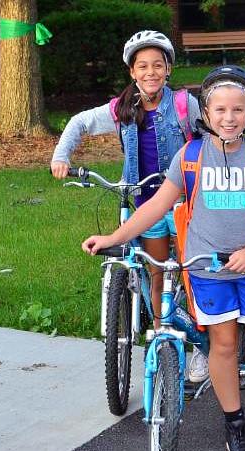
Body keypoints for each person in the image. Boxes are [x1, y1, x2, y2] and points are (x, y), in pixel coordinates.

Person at [81, 66, 245, 451]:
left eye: (238, 110)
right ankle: (235, 423)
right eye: (220, 110)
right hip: (208, 271)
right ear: (206, 113)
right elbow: (156, 206)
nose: (229, 117)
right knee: (223, 346)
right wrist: (115, 238)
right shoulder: (191, 155)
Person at [49, 30, 209, 384]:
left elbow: (209, 138)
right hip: (144, 205)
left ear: (168, 69)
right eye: (143, 66)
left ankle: (202, 344)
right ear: (132, 72)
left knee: (190, 273)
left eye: (157, 65)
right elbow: (80, 122)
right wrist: (61, 156)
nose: (151, 72)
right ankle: (162, 340)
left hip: (184, 203)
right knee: (156, 272)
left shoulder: (184, 105)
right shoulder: (121, 109)